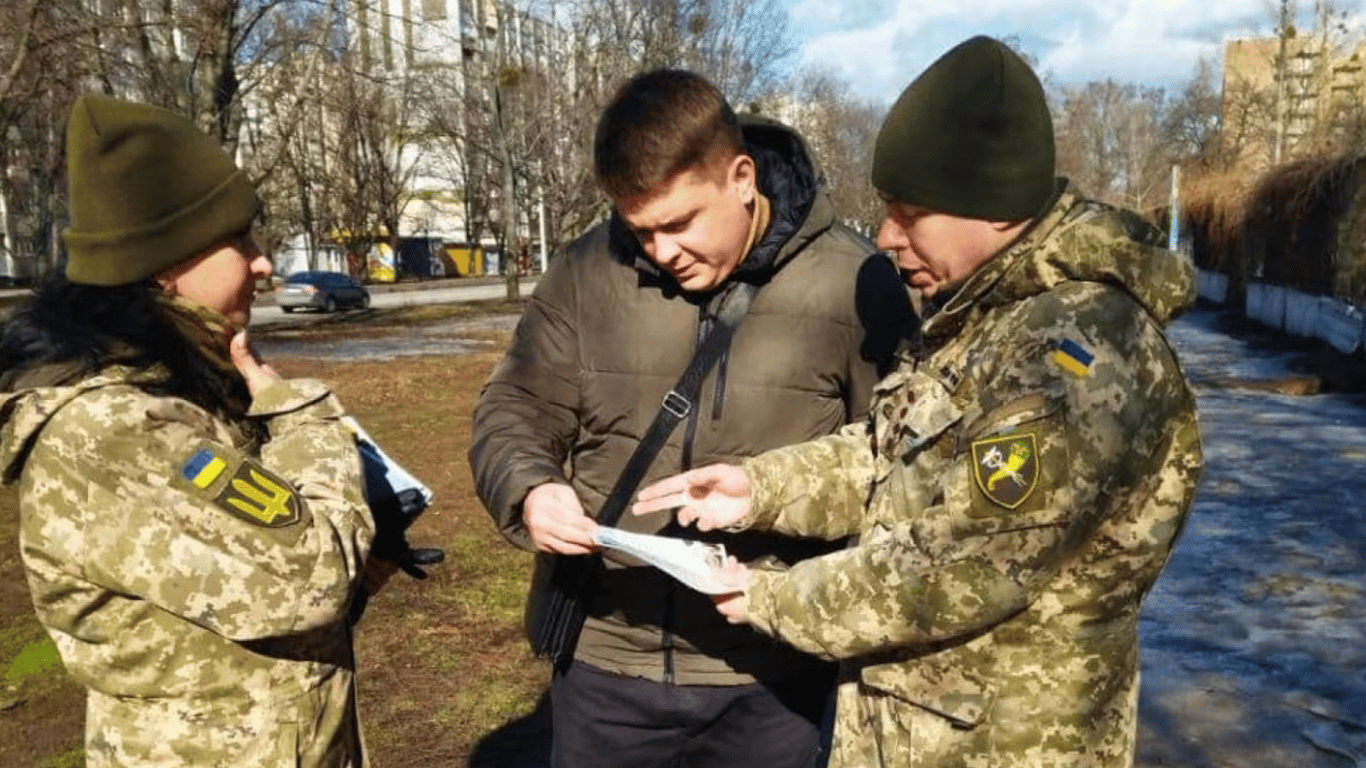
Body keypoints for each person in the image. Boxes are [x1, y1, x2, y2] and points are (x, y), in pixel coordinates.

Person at [633, 36, 1204, 767]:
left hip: (1003, 746)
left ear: (995, 209)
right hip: (916, 732)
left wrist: (770, 598)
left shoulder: (1076, 357)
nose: (885, 237)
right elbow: (891, 454)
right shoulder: (984, 320)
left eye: (909, 213)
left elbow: (961, 565)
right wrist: (758, 489)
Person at [468, 68, 914, 768]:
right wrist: (528, 487)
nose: (661, 252)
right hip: (606, 668)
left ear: (742, 177)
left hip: (773, 676)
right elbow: (513, 404)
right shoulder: (587, 272)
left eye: (679, 223)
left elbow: (898, 465)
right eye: (639, 230)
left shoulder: (855, 285)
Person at [0, 94, 373, 767]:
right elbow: (314, 575)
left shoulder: (170, 387)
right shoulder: (116, 432)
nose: (263, 263)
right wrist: (297, 417)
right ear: (166, 263)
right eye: (239, 240)